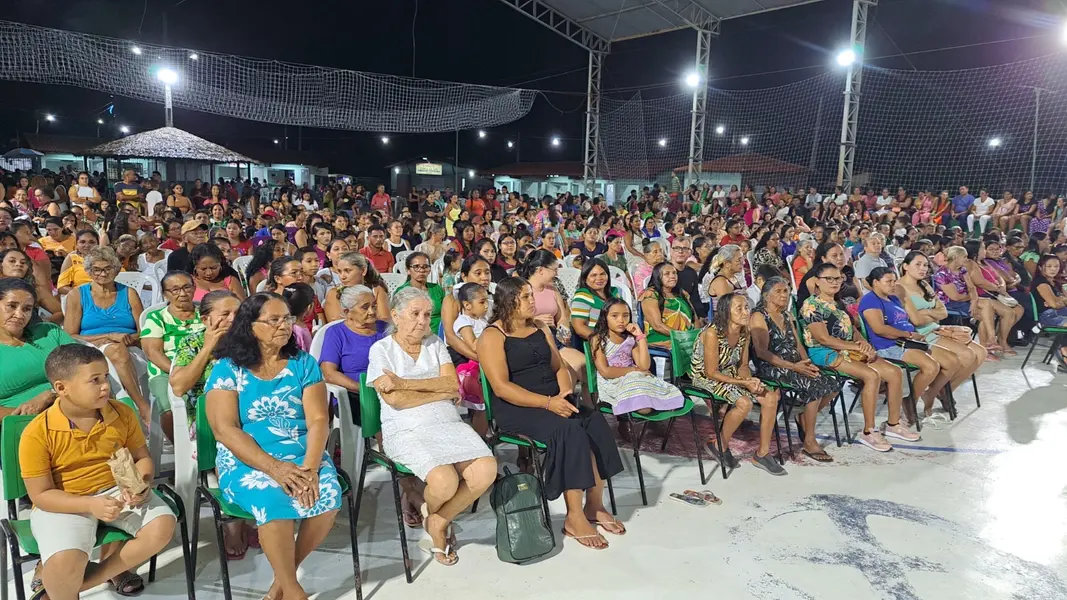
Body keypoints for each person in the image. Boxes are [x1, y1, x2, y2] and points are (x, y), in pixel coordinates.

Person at [205, 294, 342, 599]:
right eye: (274, 320)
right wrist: (275, 468)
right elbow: (224, 429)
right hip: (247, 456)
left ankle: (280, 585)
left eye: (288, 319)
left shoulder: (303, 363)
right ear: (250, 326)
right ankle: (293, 591)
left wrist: (308, 467)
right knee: (271, 499)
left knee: (327, 496)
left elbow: (319, 420)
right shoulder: (228, 368)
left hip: (301, 451)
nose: (284, 326)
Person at [20, 344, 176, 600]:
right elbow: (41, 495)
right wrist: (90, 504)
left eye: (105, 376)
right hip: (66, 500)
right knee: (63, 563)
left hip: (117, 490)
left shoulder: (121, 412)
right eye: (94, 380)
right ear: (62, 388)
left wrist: (140, 483)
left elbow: (142, 458)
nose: (105, 385)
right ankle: (63, 587)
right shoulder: (38, 432)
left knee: (162, 526)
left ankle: (82, 582)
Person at [479, 277, 624, 550]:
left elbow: (559, 367)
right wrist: (547, 403)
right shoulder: (492, 336)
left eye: (530, 295)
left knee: (593, 420)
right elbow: (501, 387)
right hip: (518, 407)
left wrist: (564, 392)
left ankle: (594, 504)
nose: (532, 301)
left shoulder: (540, 327)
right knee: (569, 430)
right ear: (509, 302)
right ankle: (574, 516)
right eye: (525, 297)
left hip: (553, 399)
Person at [367, 287, 497, 565]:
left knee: (486, 470)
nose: (423, 321)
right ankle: (434, 517)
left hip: (447, 422)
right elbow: (398, 401)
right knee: (444, 481)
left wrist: (404, 382)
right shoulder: (381, 350)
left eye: (427, 314)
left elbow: (452, 384)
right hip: (405, 428)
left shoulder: (434, 344)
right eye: (415, 314)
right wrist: (436, 391)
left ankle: (438, 519)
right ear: (396, 316)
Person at [800, 262, 920, 451]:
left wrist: (863, 343)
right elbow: (823, 339)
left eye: (837, 278)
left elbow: (851, 329)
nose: (834, 282)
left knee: (895, 372)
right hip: (825, 352)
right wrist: (855, 346)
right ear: (817, 281)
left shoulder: (837, 302)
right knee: (872, 375)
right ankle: (868, 431)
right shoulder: (811, 305)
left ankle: (893, 424)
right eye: (829, 279)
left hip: (849, 349)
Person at [688, 292, 785, 475]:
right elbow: (711, 372)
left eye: (746, 307)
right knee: (744, 403)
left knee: (771, 397)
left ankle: (762, 454)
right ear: (726, 312)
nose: (745, 312)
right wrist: (743, 383)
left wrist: (749, 380)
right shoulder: (712, 332)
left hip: (729, 374)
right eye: (739, 308)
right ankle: (719, 444)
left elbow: (742, 365)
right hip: (705, 377)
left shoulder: (744, 332)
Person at [749, 276, 841, 460]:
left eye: (786, 291)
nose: (784, 295)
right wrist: (795, 367)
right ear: (767, 295)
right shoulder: (759, 316)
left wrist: (808, 364)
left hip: (794, 365)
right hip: (772, 367)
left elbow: (798, 344)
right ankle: (809, 440)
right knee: (814, 386)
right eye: (779, 291)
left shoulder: (786, 315)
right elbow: (762, 353)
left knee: (833, 382)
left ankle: (803, 419)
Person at [894, 252, 985, 421]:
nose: (923, 269)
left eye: (925, 265)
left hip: (937, 328)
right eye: (918, 264)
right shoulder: (900, 288)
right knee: (967, 355)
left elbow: (943, 312)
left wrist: (927, 312)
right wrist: (932, 313)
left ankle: (940, 390)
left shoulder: (925, 285)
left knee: (981, 353)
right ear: (905, 266)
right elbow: (916, 320)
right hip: (920, 334)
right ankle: (934, 393)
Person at [63, 246, 149, 421]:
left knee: (117, 350)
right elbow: (70, 335)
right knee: (114, 350)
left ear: (116, 270)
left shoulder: (129, 293)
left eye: (107, 268)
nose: (102, 274)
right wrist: (108, 337)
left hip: (130, 347)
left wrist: (125, 339)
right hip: (90, 349)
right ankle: (142, 406)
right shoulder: (77, 295)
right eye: (96, 269)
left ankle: (128, 407)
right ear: (88, 271)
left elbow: (144, 331)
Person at [859, 267, 947, 424]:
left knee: (947, 361)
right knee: (931, 366)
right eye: (889, 281)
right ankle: (911, 401)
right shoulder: (870, 301)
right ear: (876, 283)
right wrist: (910, 335)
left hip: (908, 341)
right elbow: (880, 329)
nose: (893, 284)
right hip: (889, 345)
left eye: (894, 280)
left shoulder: (892, 298)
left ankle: (918, 397)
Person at [590, 297, 683, 415]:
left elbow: (644, 366)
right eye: (614, 316)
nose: (621, 320)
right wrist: (634, 370)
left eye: (625, 315)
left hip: (634, 377)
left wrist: (640, 337)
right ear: (605, 318)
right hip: (613, 383)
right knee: (645, 405)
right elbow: (605, 371)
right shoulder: (598, 339)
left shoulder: (630, 338)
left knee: (658, 390)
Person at [140, 270, 204, 441]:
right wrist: (179, 372)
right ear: (165, 294)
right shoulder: (157, 317)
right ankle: (183, 449)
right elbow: (153, 352)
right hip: (166, 371)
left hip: (204, 368)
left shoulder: (205, 315)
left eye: (186, 287)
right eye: (175, 290)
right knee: (169, 407)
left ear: (194, 287)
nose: (182, 293)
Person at [0, 278, 76, 415]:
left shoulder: (50, 332)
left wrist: (50, 395)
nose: (19, 314)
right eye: (11, 306)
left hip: (74, 406)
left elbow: (85, 369)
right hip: (19, 423)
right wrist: (25, 414)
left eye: (27, 309)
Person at [934, 245, 998, 357]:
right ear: (955, 258)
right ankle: (988, 344)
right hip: (950, 303)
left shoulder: (962, 270)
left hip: (964, 300)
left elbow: (972, 288)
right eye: (964, 257)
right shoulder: (941, 274)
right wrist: (972, 298)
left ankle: (989, 342)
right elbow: (955, 297)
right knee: (985, 313)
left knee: (986, 306)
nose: (966, 260)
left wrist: (974, 301)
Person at [963, 240, 1022, 355]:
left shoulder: (985, 262)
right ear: (976, 250)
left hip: (995, 292)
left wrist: (1002, 286)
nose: (984, 250)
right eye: (983, 248)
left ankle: (1001, 339)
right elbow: (979, 282)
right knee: (1006, 312)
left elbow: (998, 276)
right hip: (983, 295)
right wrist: (996, 288)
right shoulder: (970, 263)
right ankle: (987, 345)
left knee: (1019, 309)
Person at [639, 262, 695, 348]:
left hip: (687, 338)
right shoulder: (650, 294)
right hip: (663, 339)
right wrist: (682, 337)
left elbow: (695, 319)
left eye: (674, 273)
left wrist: (697, 335)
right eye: (667, 274)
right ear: (658, 277)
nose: (672, 276)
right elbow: (657, 326)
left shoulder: (682, 293)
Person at [323, 252, 390, 323]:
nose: (342, 277)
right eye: (339, 271)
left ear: (363, 270)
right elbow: (337, 323)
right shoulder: (334, 294)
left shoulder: (376, 289)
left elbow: (384, 320)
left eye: (347, 271)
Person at [569, 258, 621, 343]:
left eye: (602, 274)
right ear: (585, 278)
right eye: (593, 275)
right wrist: (605, 341)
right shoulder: (583, 296)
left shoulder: (614, 293)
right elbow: (579, 327)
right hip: (597, 343)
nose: (599, 278)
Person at [1029, 254, 1067, 369]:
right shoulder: (1041, 283)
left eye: (1056, 266)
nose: (1053, 269)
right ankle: (1064, 351)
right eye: (1049, 266)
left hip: (1060, 312)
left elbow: (1057, 303)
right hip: (1048, 317)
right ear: (1041, 267)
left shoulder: (1056, 283)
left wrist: (1060, 301)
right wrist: (1060, 301)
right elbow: (1054, 305)